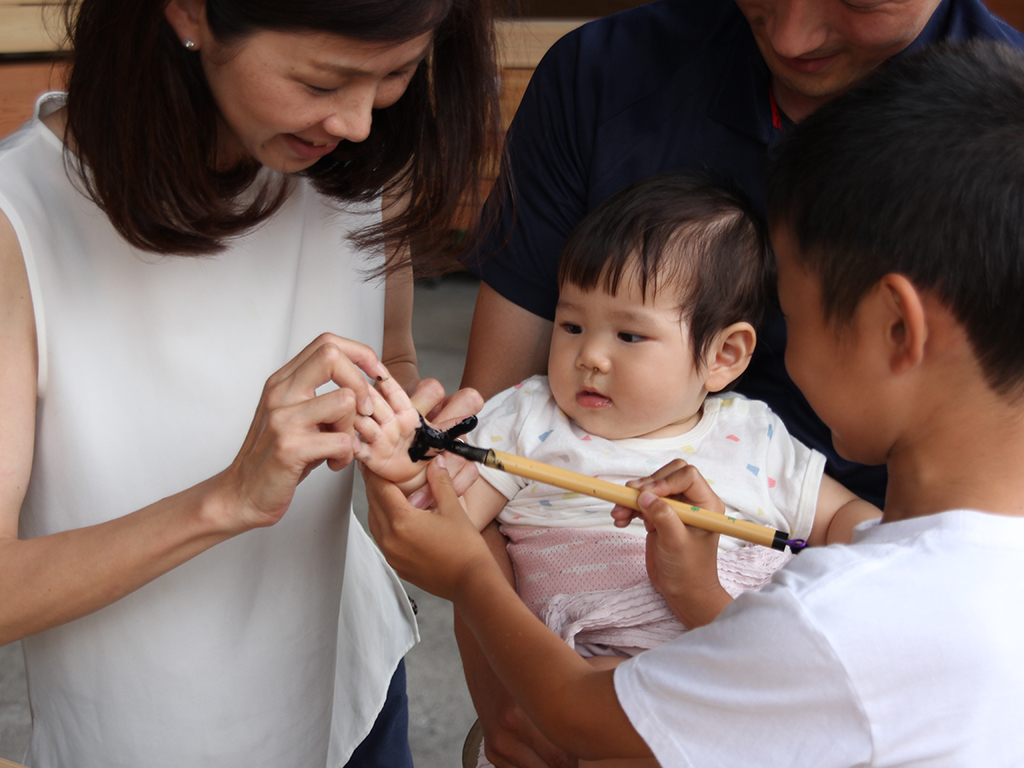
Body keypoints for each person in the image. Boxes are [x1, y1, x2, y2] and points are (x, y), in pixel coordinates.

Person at [366, 39, 1024, 767]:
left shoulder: (837, 614)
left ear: (896, 329)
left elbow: (579, 716)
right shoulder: (968, 583)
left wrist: (465, 576)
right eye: (574, 322)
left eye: (795, 316)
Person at [0, 0, 499, 765]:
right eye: (323, 79)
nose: (360, 122)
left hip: (349, 696)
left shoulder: (357, 168)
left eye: (396, 73)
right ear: (189, 11)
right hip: (145, 727)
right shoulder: (22, 220)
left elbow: (390, 356)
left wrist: (409, 442)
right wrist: (227, 498)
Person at [457, 172, 879, 767]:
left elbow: (848, 520)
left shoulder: (753, 435)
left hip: (728, 677)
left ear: (722, 355)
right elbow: (451, 524)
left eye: (629, 335)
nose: (590, 356)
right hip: (581, 673)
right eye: (572, 324)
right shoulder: (527, 419)